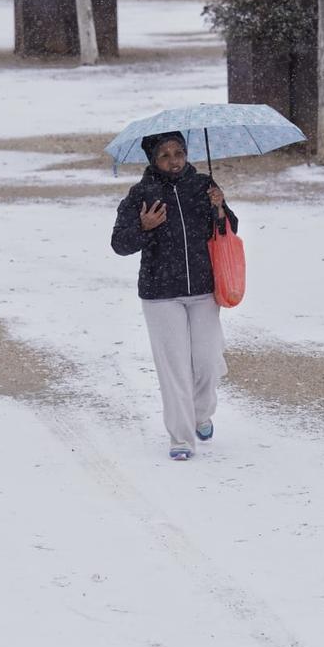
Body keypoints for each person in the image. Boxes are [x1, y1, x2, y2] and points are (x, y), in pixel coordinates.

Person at [111, 131, 238, 461]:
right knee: (175, 368)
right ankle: (181, 438)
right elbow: (120, 244)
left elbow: (228, 229)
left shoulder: (202, 185)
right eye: (165, 155)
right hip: (160, 293)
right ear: (153, 159)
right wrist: (143, 226)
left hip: (203, 289)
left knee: (208, 361)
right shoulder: (141, 193)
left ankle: (201, 412)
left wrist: (219, 207)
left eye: (178, 152)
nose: (174, 160)